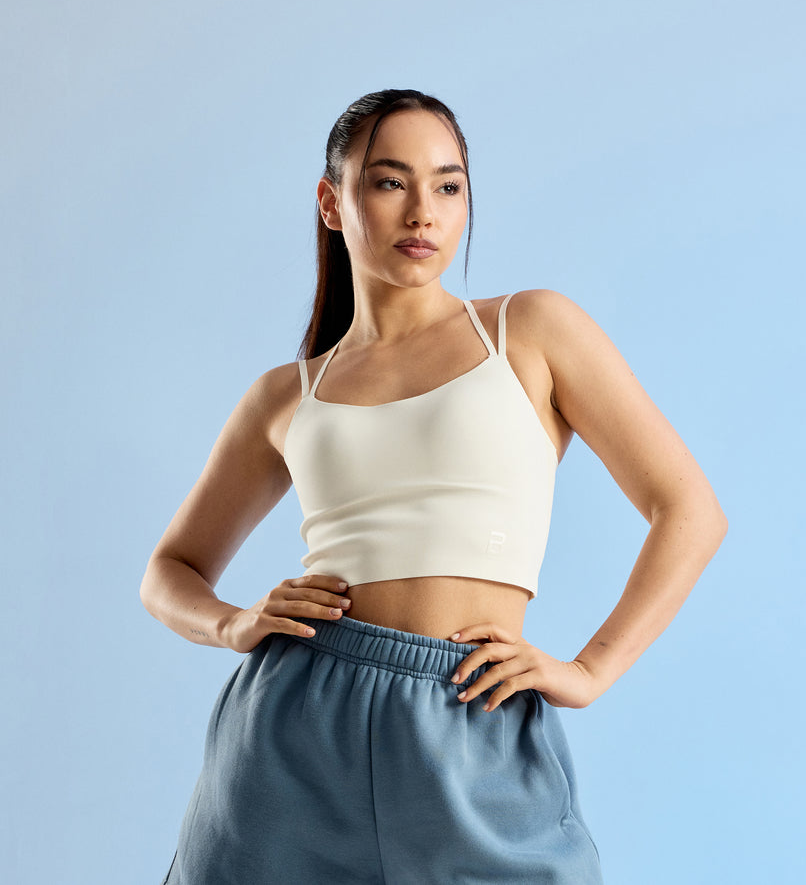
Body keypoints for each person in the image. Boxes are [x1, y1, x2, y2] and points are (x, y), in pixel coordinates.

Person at [141, 88, 727, 884]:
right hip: (295, 725)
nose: (424, 212)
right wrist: (232, 623)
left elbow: (689, 510)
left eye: (448, 186)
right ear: (332, 203)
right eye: (390, 182)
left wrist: (589, 672)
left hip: (473, 711)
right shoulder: (286, 395)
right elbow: (168, 571)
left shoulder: (530, 331)